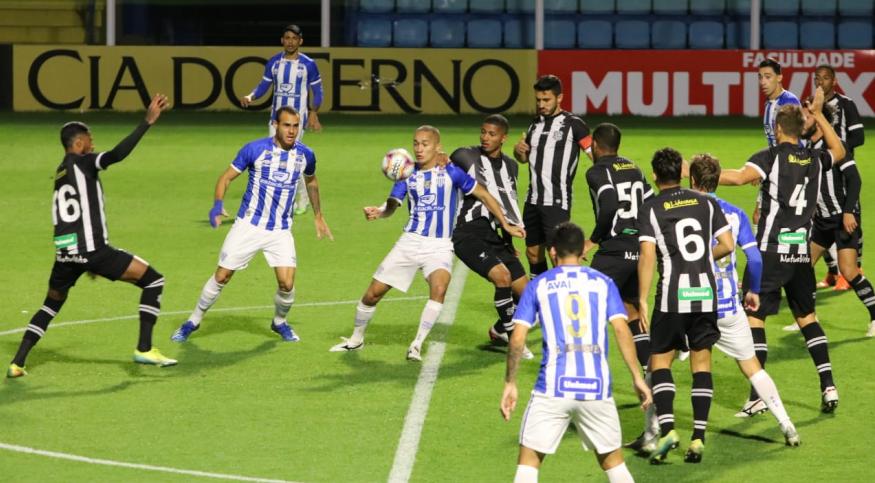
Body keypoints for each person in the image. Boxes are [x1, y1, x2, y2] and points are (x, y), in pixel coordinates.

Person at [8, 94, 175, 378]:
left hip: (66, 254)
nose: (92, 141)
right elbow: (117, 155)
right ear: (77, 143)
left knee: (50, 305)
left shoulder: (61, 173)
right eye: (89, 137)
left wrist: (80, 261)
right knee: (154, 280)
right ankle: (144, 349)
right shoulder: (83, 163)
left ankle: (17, 363)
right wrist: (147, 121)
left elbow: (62, 220)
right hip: (93, 250)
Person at [330, 125, 525, 361]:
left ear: (437, 147)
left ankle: (417, 344)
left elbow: (483, 194)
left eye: (425, 144)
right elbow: (393, 203)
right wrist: (380, 212)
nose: (419, 149)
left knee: (439, 289)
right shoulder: (406, 174)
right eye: (416, 144)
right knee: (372, 295)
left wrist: (504, 224)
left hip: (440, 245)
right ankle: (356, 339)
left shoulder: (452, 173)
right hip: (410, 243)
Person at [719, 90, 846, 415]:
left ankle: (758, 395)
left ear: (778, 129)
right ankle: (829, 385)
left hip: (770, 253)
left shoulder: (770, 157)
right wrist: (817, 116)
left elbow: (737, 178)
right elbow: (839, 150)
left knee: (754, 319)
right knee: (807, 319)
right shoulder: (815, 160)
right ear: (800, 129)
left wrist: (699, 172)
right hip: (800, 255)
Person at [500, 222, 651, 483]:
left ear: (552, 251)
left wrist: (510, 382)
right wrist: (637, 377)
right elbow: (622, 329)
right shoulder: (603, 283)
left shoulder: (540, 285)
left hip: (552, 388)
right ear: (583, 252)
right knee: (614, 464)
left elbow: (517, 338)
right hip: (596, 388)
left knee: (529, 464)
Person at [171, 106, 333, 343]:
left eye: (296, 126)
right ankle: (192, 321)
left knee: (287, 284)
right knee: (222, 276)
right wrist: (217, 204)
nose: (292, 131)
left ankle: (279, 322)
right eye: (287, 125)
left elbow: (312, 181)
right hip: (248, 225)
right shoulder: (255, 149)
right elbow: (226, 178)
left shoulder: (305, 154)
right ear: (275, 125)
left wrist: (318, 215)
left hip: (280, 229)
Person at [685, 154, 799, 444]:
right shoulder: (734, 213)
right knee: (752, 368)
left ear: (693, 180)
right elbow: (755, 258)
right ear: (717, 180)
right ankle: (786, 424)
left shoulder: (683, 211)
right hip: (727, 305)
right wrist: (753, 291)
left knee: (660, 363)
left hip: (690, 303)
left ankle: (656, 432)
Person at [637, 148, 735, 464]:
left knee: (660, 361)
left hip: (672, 297)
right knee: (702, 364)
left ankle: (667, 430)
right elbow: (728, 245)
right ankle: (698, 438)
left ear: (654, 175)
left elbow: (648, 255)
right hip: (706, 294)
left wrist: (641, 298)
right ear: (682, 171)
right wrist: (702, 261)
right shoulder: (706, 203)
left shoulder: (651, 207)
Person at [450, 114, 530, 355]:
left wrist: (507, 241)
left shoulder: (511, 167)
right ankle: (514, 339)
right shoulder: (465, 156)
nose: (485, 138)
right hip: (468, 230)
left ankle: (498, 330)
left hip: (494, 234)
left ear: (503, 138)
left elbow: (506, 206)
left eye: (492, 134)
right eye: (483, 132)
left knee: (527, 296)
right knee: (502, 277)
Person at [796, 97, 874, 337]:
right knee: (802, 267)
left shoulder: (837, 147)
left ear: (819, 122)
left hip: (843, 218)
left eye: (807, 116)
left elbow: (855, 179)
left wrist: (850, 212)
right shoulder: (808, 149)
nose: (802, 120)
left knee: (849, 272)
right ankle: (808, 317)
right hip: (821, 220)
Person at [583, 123, 654, 371]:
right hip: (639, 248)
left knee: (587, 306)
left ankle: (585, 371)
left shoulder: (595, 172)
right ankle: (651, 370)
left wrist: (593, 240)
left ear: (594, 145)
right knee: (632, 310)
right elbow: (651, 201)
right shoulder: (634, 167)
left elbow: (610, 203)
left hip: (614, 249)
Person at [240, 23, 323, 216]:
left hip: (297, 119)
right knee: (277, 156)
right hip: (275, 119)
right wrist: (251, 96)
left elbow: (317, 91)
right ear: (282, 41)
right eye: (287, 38)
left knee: (292, 156)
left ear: (300, 41)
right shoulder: (274, 63)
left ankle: (299, 198)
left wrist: (313, 112)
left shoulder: (308, 64)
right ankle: (287, 198)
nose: (291, 42)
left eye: (294, 38)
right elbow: (263, 86)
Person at [513, 75, 592, 278]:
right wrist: (519, 151)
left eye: (546, 100)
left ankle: (564, 298)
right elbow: (523, 159)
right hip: (533, 200)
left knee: (557, 255)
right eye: (538, 100)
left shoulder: (575, 125)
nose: (541, 104)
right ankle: (541, 295)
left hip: (556, 200)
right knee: (532, 253)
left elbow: (595, 154)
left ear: (559, 98)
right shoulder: (534, 125)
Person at [807, 64, 866, 293]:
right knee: (819, 219)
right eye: (817, 78)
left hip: (839, 165)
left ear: (834, 81)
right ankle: (833, 272)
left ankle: (849, 271)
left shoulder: (846, 104)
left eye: (825, 78)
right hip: (819, 166)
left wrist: (837, 150)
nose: (820, 82)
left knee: (842, 212)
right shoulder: (811, 105)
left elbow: (859, 136)